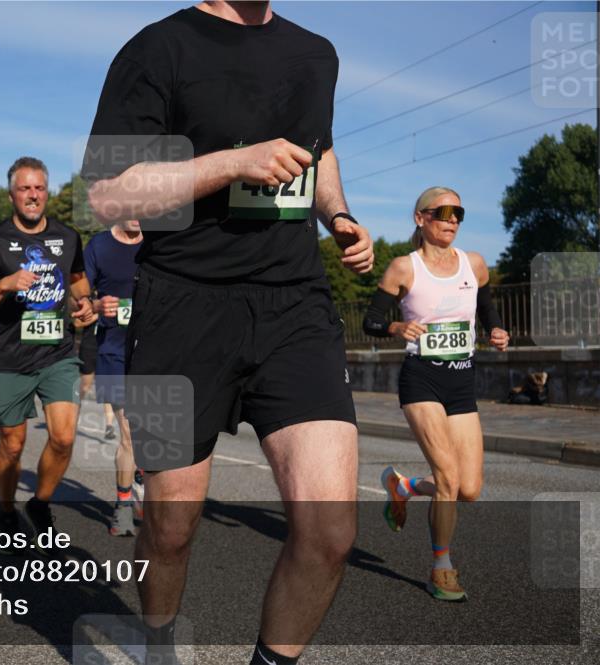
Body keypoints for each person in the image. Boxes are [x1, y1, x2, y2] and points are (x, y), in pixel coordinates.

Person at [82, 3, 375, 663]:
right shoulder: (159, 48)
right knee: (170, 525)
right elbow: (108, 196)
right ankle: (157, 643)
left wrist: (339, 215)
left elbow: (318, 150)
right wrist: (230, 165)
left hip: (293, 303)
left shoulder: (315, 53)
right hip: (181, 305)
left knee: (329, 530)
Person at [363, 187, 509, 602]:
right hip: (421, 380)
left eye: (458, 213)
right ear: (420, 218)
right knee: (447, 478)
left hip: (462, 380)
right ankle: (442, 567)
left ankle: (404, 486)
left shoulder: (474, 264)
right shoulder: (403, 269)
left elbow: (488, 310)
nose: (452, 220)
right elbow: (372, 320)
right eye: (443, 212)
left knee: (469, 489)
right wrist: (395, 328)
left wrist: (496, 330)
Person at [0, 156, 92, 556]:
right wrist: (3, 284)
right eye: (25, 188)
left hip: (58, 353)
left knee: (64, 436)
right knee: (13, 446)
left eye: (39, 188)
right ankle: (6, 508)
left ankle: (39, 502)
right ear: (11, 195)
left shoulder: (68, 237)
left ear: (46, 192)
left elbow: (77, 280)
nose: (33, 195)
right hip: (11, 358)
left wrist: (84, 302)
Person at [84, 220, 145, 536]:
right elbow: (77, 299)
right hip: (115, 353)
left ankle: (141, 479)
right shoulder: (99, 246)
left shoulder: (164, 242)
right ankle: (122, 508)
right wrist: (94, 304)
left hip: (157, 352)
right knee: (130, 434)